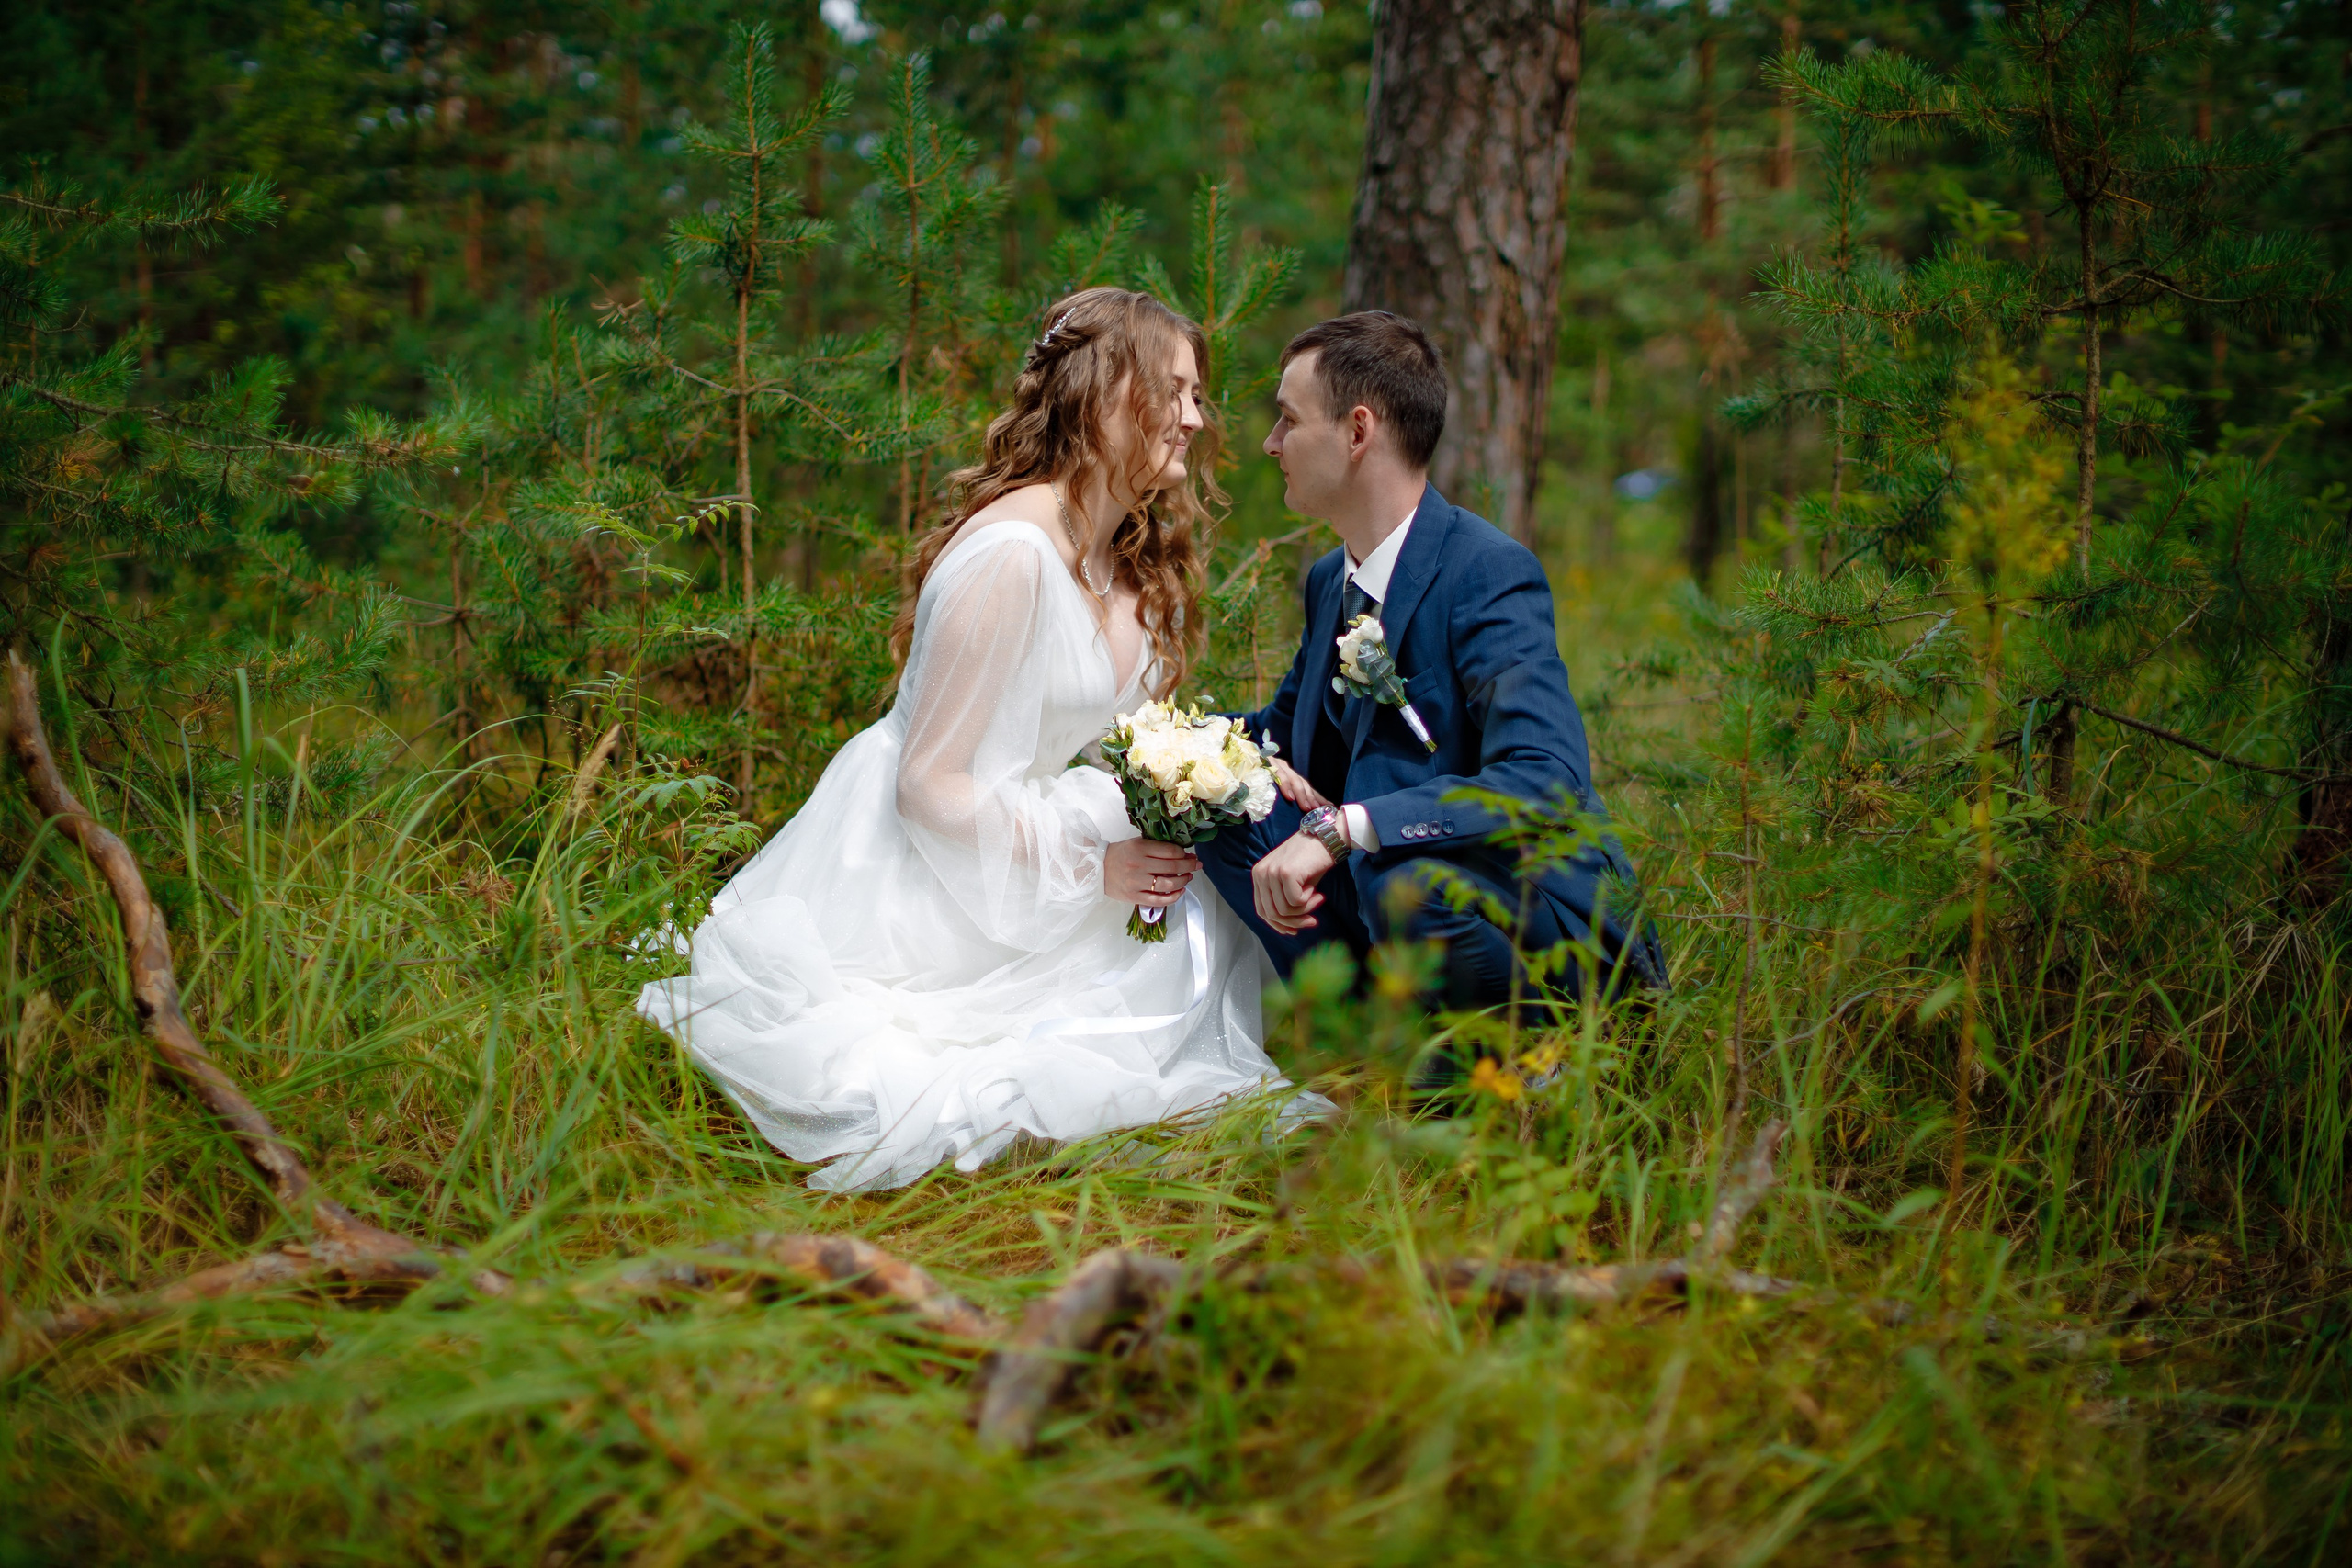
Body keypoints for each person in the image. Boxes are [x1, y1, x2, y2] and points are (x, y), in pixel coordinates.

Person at [638, 288, 1321, 1192]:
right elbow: (928, 783)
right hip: (930, 854)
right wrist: (1091, 864)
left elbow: (1114, 739)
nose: (1196, 419)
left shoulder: (1121, 553)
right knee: (952, 1064)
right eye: (1177, 390)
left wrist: (1242, 769)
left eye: (1200, 396)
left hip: (1019, 829)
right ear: (1108, 391)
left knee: (1186, 923)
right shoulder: (1010, 553)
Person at [1196, 311, 1666, 1034]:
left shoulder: (1486, 570)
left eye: (1288, 420)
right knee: (1220, 804)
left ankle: (1518, 1065)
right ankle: (1364, 1054)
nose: (1271, 443)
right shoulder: (1332, 580)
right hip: (1398, 892)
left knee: (1400, 877)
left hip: (1522, 912)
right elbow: (1283, 734)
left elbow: (1547, 776)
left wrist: (1347, 826)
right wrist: (1164, 747)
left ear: (1358, 432)